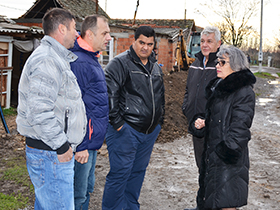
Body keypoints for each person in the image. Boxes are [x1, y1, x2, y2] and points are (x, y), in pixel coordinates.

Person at [16, 8, 87, 210]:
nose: (77, 33)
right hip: (51, 153)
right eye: (74, 28)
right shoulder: (47, 59)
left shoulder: (56, 58)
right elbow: (38, 110)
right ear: (62, 29)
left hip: (51, 152)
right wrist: (62, 146)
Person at [102, 26, 165, 210]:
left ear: (154, 46)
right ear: (134, 41)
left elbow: (160, 95)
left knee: (137, 173)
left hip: (148, 132)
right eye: (142, 43)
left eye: (150, 44)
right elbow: (109, 95)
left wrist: (159, 123)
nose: (145, 47)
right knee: (120, 174)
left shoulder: (154, 66)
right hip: (126, 131)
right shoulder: (119, 63)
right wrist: (119, 124)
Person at [188, 45, 256, 210]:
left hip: (228, 159)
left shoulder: (244, 92)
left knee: (226, 201)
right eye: (218, 62)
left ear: (236, 65)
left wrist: (224, 152)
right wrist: (204, 122)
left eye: (222, 62)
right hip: (214, 155)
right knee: (213, 198)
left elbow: (240, 128)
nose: (217, 65)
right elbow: (217, 119)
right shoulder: (219, 87)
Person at [69, 14, 111, 210]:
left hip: (91, 142)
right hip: (83, 145)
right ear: (89, 34)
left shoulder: (91, 59)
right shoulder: (80, 62)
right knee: (78, 195)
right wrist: (82, 145)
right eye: (105, 33)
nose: (109, 38)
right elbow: (75, 107)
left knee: (86, 189)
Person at [182, 26, 221, 170]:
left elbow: (224, 98)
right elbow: (188, 90)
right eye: (202, 41)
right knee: (201, 166)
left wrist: (209, 119)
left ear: (218, 43)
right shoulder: (195, 65)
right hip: (196, 127)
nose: (204, 45)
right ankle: (204, 192)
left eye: (209, 41)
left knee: (214, 168)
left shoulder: (221, 66)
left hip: (213, 128)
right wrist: (186, 108)